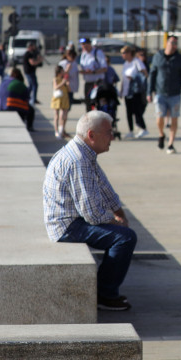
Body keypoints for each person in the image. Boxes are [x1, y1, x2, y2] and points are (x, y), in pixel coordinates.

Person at [42, 110, 137, 311]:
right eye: (109, 132)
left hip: (71, 220)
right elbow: (92, 214)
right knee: (125, 238)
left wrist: (119, 211)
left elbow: (104, 186)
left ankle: (104, 288)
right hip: (66, 226)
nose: (112, 137)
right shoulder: (78, 161)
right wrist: (115, 221)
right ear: (91, 135)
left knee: (122, 233)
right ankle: (104, 294)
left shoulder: (83, 152)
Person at [147, 36, 181, 154]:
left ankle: (171, 144)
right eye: (172, 42)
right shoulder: (158, 56)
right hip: (160, 92)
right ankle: (161, 134)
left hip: (175, 94)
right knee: (159, 117)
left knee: (174, 118)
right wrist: (149, 92)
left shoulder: (180, 58)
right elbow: (152, 75)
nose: (174, 45)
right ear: (167, 43)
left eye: (176, 43)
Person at [119, 46, 148, 139]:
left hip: (136, 91)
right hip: (127, 90)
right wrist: (121, 90)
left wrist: (135, 78)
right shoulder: (125, 64)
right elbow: (123, 78)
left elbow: (145, 73)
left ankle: (143, 128)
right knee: (129, 111)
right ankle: (130, 130)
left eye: (123, 53)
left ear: (129, 53)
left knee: (137, 110)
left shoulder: (137, 62)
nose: (122, 55)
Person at [0, 66, 35, 131]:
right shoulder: (19, 83)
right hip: (10, 106)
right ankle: (29, 127)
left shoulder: (4, 81)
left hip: (1, 106)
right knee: (31, 110)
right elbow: (27, 97)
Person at [78, 38, 108, 112]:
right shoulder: (83, 54)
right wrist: (83, 71)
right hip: (88, 82)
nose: (84, 46)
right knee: (88, 103)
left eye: (85, 44)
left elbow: (104, 68)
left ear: (89, 44)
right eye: (82, 45)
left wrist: (93, 72)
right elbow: (82, 67)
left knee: (98, 103)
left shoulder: (98, 52)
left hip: (97, 83)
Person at [51, 64, 71, 139]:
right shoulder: (55, 78)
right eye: (62, 71)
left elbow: (69, 90)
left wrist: (67, 84)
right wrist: (63, 82)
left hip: (64, 97)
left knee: (63, 115)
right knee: (56, 115)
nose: (63, 72)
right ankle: (56, 131)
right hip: (57, 98)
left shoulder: (65, 78)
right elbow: (55, 87)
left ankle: (61, 130)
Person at [23, 40, 43, 105]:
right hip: (29, 72)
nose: (34, 47)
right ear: (30, 47)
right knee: (34, 85)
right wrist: (39, 60)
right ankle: (32, 99)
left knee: (31, 85)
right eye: (33, 46)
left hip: (30, 72)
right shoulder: (28, 54)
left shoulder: (31, 53)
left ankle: (27, 97)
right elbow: (32, 63)